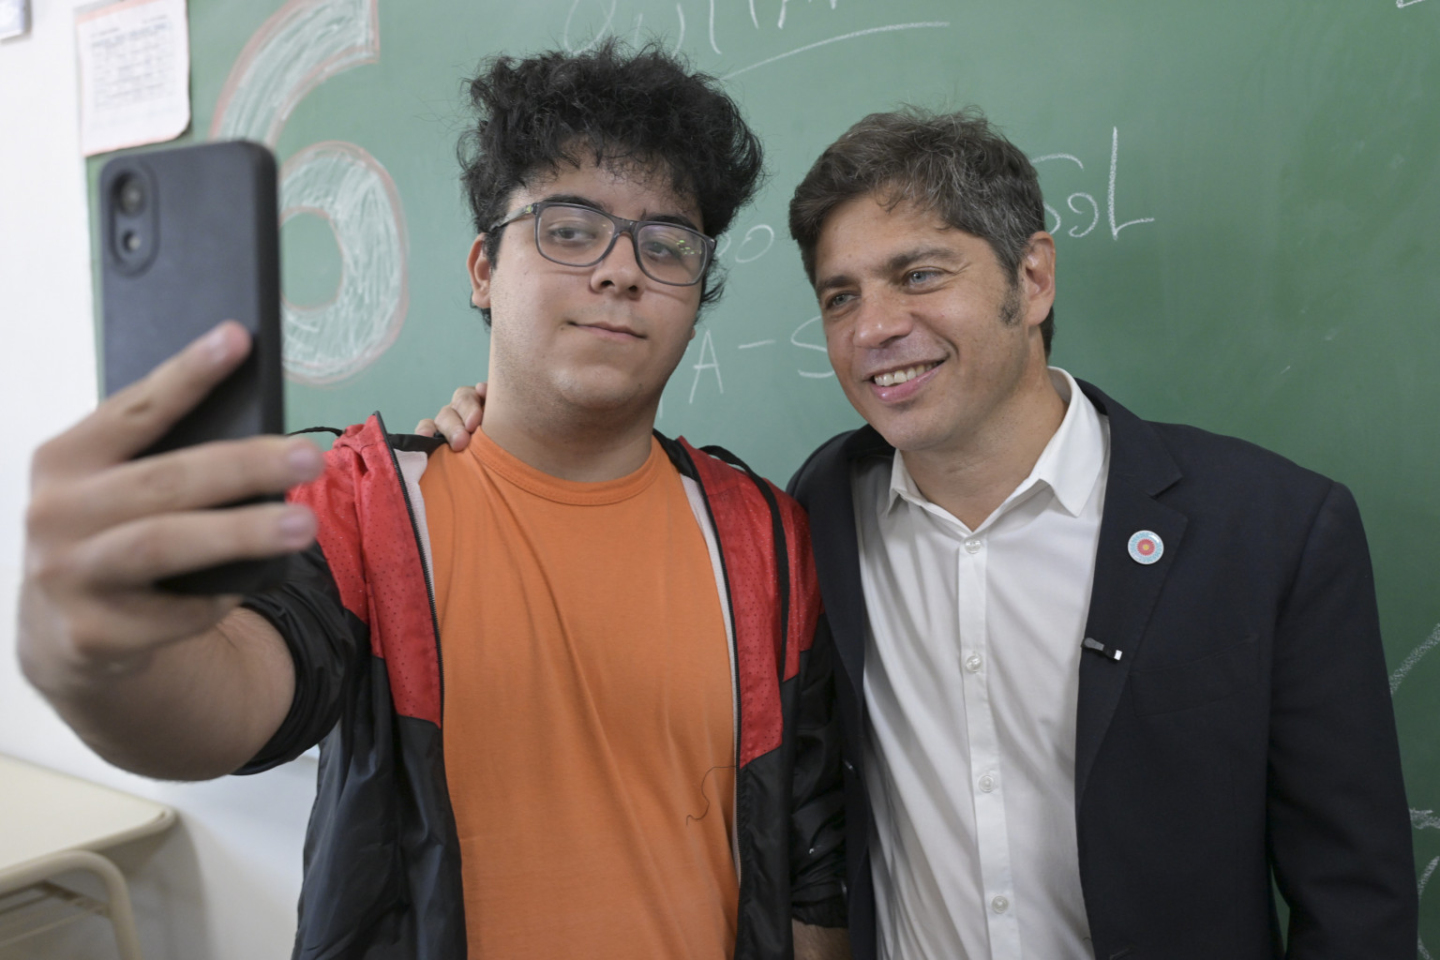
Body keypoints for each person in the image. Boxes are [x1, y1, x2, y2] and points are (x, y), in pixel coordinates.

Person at [426, 107, 1418, 960]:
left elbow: (1355, 900)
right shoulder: (809, 520)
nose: (875, 328)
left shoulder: (1269, 530)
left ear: (1032, 278)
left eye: (919, 274)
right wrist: (483, 430)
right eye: (841, 297)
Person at [18, 43, 849, 960]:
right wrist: (106, 660)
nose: (622, 272)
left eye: (666, 245)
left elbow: (811, 854)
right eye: (570, 229)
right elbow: (233, 697)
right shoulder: (368, 510)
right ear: (484, 268)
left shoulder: (764, 538)